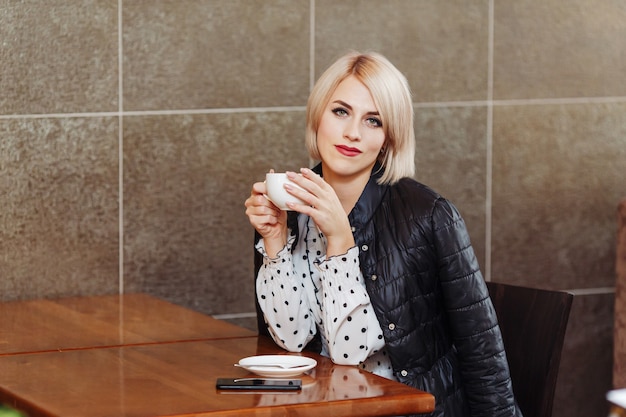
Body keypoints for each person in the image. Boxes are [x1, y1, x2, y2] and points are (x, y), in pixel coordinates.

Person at [244, 51, 522, 416]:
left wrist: (341, 242)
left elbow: (481, 353)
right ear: (318, 117)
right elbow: (291, 344)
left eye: (373, 120)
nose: (352, 133)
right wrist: (275, 241)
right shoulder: (289, 208)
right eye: (340, 111)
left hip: (408, 410)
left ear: (389, 138)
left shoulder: (429, 214)